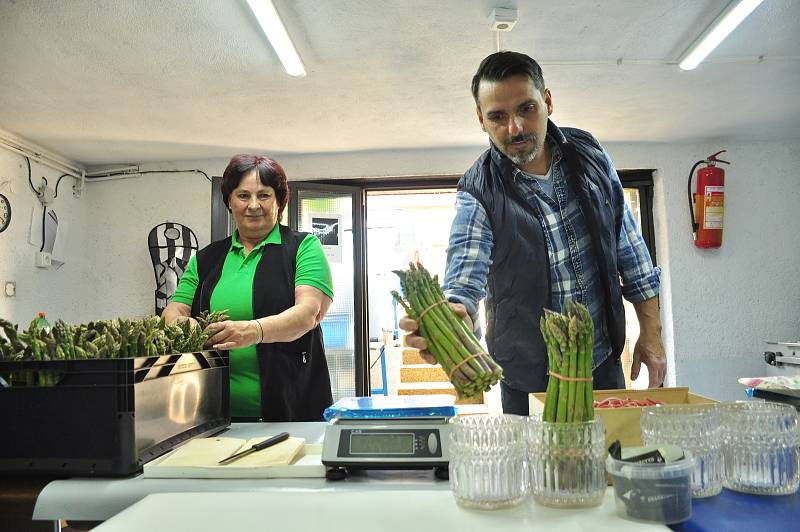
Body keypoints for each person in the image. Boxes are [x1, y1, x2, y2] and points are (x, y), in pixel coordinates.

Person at [400, 51, 666, 415]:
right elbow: (464, 277)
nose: (516, 128)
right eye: (498, 116)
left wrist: (651, 332)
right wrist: (453, 316)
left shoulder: (590, 154)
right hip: (526, 384)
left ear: (548, 101)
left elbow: (630, 248)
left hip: (602, 368)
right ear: (481, 120)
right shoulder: (477, 192)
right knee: (534, 475)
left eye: (526, 108)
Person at [162, 154, 334, 421]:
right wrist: (183, 326)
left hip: (292, 411)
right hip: (214, 415)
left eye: (264, 195)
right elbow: (174, 309)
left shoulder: (303, 247)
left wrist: (254, 331)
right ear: (229, 201)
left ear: (280, 202)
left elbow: (308, 313)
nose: (253, 205)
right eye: (243, 196)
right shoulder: (206, 259)